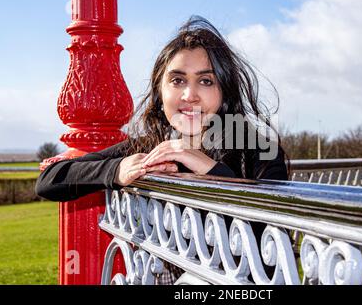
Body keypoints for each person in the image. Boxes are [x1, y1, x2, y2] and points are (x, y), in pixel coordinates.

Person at [36, 16, 289, 284]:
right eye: (177, 80)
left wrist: (208, 167)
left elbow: (267, 245)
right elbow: (49, 180)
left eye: (206, 81)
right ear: (160, 89)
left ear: (225, 91)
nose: (189, 94)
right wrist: (116, 170)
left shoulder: (259, 151)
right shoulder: (149, 145)